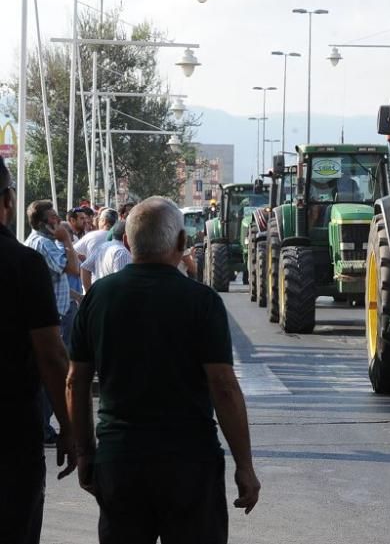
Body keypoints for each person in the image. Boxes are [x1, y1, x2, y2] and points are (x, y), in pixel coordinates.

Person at [68, 196, 260, 543]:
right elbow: (224, 387)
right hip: (190, 465)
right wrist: (244, 466)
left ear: (127, 242)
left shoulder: (98, 297)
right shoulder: (202, 302)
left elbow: (75, 382)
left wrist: (85, 451)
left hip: (120, 461)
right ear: (182, 243)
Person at [0, 157, 76, 544]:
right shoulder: (22, 263)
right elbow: (51, 354)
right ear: (8, 201)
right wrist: (70, 425)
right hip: (10, 430)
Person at [25, 199, 81, 442]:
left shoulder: (45, 243)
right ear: (43, 222)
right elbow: (72, 269)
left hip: (58, 312)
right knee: (52, 371)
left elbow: (53, 282)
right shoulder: (44, 244)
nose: (58, 221)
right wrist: (66, 239)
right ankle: (44, 427)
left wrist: (76, 296)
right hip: (50, 320)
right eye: (54, 217)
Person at [80, 221, 131, 290]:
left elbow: (84, 268)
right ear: (126, 237)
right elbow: (122, 284)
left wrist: (89, 294)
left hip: (101, 297)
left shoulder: (103, 246)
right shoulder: (122, 252)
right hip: (112, 299)